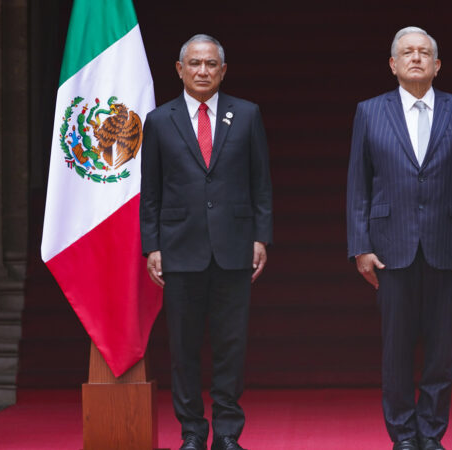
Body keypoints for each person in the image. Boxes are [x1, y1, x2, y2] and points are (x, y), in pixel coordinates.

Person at [346, 26, 452, 450]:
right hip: (391, 248)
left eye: (424, 53)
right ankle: (403, 436)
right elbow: (359, 184)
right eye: (406, 53)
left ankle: (431, 434)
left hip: (448, 244)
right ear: (392, 64)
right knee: (396, 350)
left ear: (437, 64)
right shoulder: (370, 112)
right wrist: (361, 245)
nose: (415, 58)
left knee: (442, 353)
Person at [140, 34, 272, 450]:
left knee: (231, 346)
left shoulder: (247, 115)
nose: (202, 71)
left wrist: (260, 238)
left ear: (223, 70)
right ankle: (193, 432)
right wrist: (153, 246)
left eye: (211, 64)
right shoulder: (160, 120)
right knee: (184, 348)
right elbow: (151, 192)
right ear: (180, 69)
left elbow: (261, 184)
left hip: (234, 247)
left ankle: (228, 434)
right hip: (180, 250)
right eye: (194, 64)